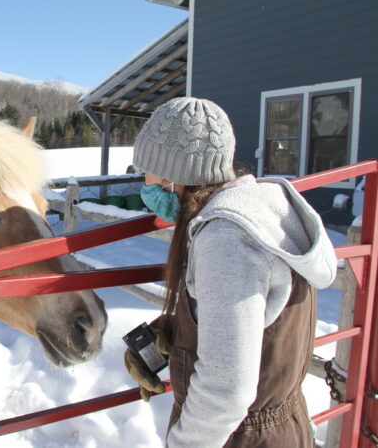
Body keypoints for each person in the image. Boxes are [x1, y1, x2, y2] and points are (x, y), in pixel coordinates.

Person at [124, 97, 337, 447]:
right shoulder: (264, 210)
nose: (144, 184)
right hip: (281, 426)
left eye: (145, 170)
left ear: (170, 174)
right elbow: (256, 320)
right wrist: (175, 333)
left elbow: (227, 389)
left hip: (242, 439)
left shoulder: (225, 239)